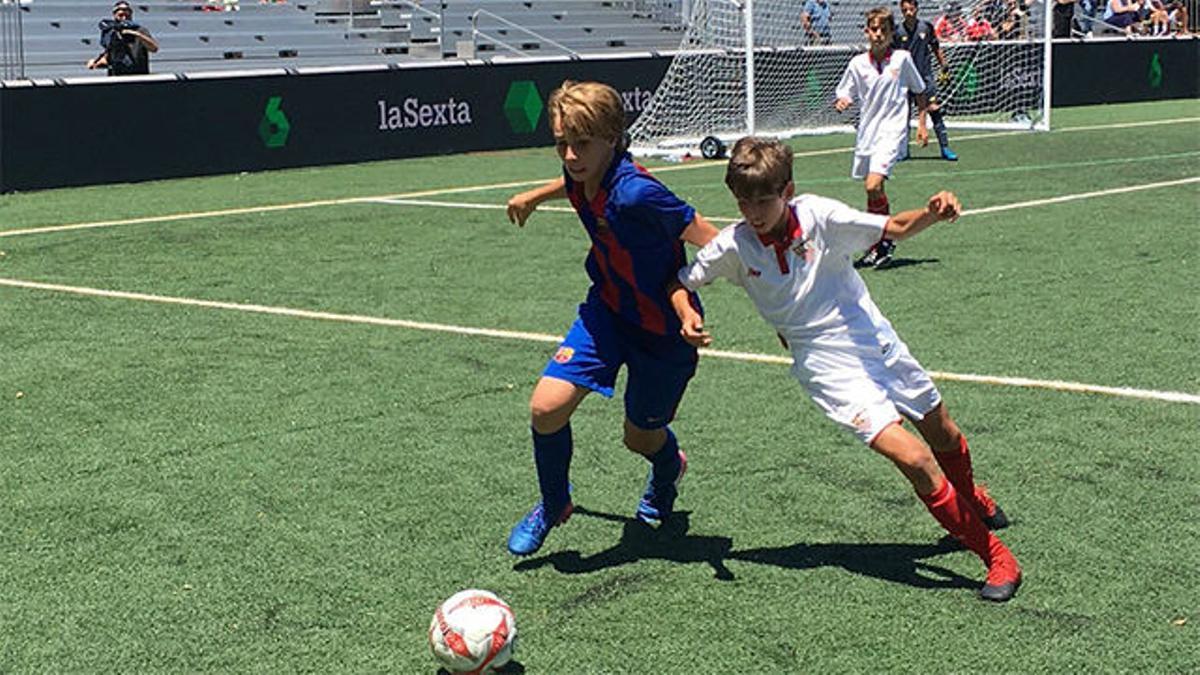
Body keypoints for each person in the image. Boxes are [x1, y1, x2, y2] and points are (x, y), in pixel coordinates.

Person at [668, 137, 1022, 602]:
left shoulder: (818, 215)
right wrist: (686, 315)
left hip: (873, 338)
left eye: (763, 200)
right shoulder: (734, 246)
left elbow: (893, 227)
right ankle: (996, 557)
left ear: (787, 191)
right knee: (914, 458)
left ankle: (971, 498)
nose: (753, 212)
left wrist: (933, 212)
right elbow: (681, 282)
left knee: (944, 434)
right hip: (824, 366)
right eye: (744, 201)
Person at [503, 80, 721, 556]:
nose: (570, 155)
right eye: (561, 143)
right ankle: (554, 502)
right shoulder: (583, 174)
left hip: (663, 331)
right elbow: (574, 183)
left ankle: (668, 469)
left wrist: (778, 284)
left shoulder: (639, 194)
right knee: (545, 408)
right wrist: (534, 197)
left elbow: (713, 238)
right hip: (606, 311)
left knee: (639, 436)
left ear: (613, 138)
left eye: (581, 144)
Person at [834, 6, 927, 270]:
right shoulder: (857, 64)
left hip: (892, 132)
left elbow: (919, 91)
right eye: (874, 29)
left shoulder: (901, 59)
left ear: (890, 33)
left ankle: (884, 241)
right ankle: (877, 243)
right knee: (874, 191)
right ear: (867, 32)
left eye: (883, 30)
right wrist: (843, 101)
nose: (878, 35)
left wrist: (922, 124)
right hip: (867, 134)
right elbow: (846, 92)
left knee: (873, 185)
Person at [894, 0, 958, 163]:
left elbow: (935, 47)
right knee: (904, 114)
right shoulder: (897, 31)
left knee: (934, 109)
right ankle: (903, 150)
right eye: (905, 10)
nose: (908, 12)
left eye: (911, 9)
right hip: (905, 78)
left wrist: (944, 65)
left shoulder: (926, 27)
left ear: (916, 9)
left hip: (925, 76)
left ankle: (945, 148)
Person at [86, 1, 159, 76]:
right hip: (117, 79)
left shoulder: (140, 30)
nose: (124, 18)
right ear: (114, 15)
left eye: (127, 15)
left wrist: (136, 34)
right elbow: (109, 57)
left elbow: (154, 48)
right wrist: (95, 63)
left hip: (138, 78)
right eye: (121, 15)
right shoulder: (111, 32)